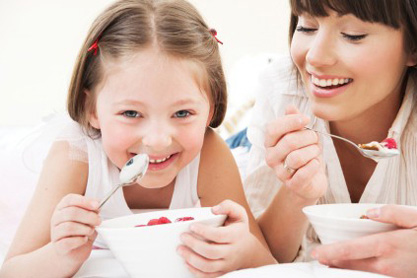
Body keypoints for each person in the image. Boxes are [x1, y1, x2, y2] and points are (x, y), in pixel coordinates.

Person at [0, 0, 275, 277]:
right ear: (91, 109)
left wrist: (244, 251)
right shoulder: (76, 154)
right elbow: (12, 270)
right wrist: (59, 256)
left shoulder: (210, 154)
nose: (157, 140)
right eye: (131, 113)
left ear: (210, 109)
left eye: (182, 113)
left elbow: (271, 265)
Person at [243, 0, 417, 277]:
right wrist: (296, 193)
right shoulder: (282, 90)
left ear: (414, 46)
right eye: (307, 26)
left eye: (352, 35)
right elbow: (259, 254)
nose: (315, 57)